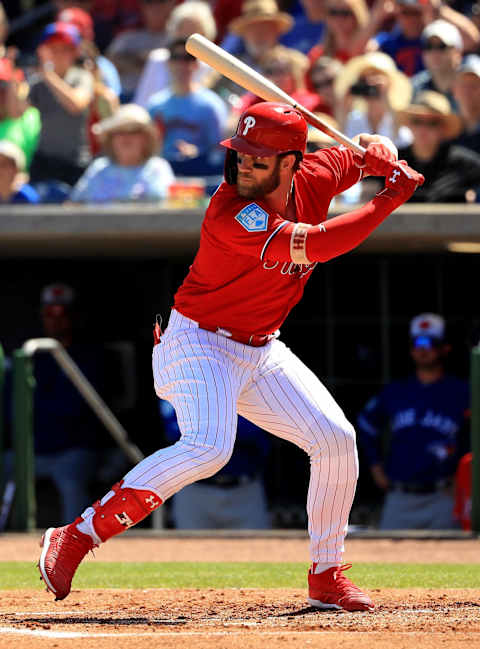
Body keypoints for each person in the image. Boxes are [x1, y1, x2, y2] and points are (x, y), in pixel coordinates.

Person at [37, 100, 424, 611]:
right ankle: (78, 536)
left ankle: (327, 572)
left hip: (260, 347)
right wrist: (388, 199)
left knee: (335, 439)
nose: (244, 165)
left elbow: (363, 156)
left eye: (258, 158)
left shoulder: (317, 171)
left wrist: (379, 153)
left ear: (291, 161)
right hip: (197, 343)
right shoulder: (231, 211)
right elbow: (319, 245)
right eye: (241, 155)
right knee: (210, 445)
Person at [357, 313, 470, 530]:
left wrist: (466, 477)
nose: (423, 349)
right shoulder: (397, 390)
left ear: (445, 348)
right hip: (400, 496)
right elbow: (365, 424)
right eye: (417, 343)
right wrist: (375, 466)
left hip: (444, 496)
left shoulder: (462, 391)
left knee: (449, 560)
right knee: (386, 561)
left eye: (430, 343)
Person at [159, 400, 271, 529]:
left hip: (245, 491)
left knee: (255, 547)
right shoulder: (181, 382)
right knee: (190, 548)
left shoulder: (247, 381)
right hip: (194, 491)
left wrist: (206, 425)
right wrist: (229, 423)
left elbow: (255, 431)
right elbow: (174, 431)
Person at [147, 37, 228, 177]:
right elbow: (148, 148)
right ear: (168, 63)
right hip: (164, 172)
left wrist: (197, 152)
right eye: (176, 58)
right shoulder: (156, 104)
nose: (182, 64)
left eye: (188, 58)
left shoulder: (210, 105)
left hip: (200, 171)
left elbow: (219, 151)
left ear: (196, 64)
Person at [28, 22, 94, 187]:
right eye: (53, 49)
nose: (58, 54)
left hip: (76, 162)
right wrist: (11, 82)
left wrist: (48, 76)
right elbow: (16, 112)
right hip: (44, 162)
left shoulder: (82, 77)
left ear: (75, 52)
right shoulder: (38, 82)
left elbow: (76, 105)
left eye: (65, 49)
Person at [70, 103, 174, 203]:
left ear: (146, 138)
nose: (126, 137)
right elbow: (74, 205)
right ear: (111, 138)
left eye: (133, 131)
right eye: (119, 132)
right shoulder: (99, 168)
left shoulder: (158, 168)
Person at [397, 91, 480, 202]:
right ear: (409, 125)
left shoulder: (466, 164)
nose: (423, 129)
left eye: (432, 123)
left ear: (443, 129)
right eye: (417, 121)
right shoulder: (395, 162)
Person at [134, 1, 217, 109]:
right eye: (183, 29)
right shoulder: (158, 59)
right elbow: (142, 104)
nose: (187, 38)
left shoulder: (212, 68)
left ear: (206, 35)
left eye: (194, 32)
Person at [374, 0, 479, 77]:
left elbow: (472, 40)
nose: (411, 19)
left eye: (416, 13)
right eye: (405, 12)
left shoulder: (436, 39)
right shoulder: (386, 41)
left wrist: (437, 8)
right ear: (397, 13)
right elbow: (358, 53)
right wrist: (377, 15)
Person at [105, 0, 177, 102]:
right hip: (124, 96)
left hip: (161, 99)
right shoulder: (127, 38)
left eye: (160, 2)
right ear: (142, 7)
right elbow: (109, 64)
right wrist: (144, 60)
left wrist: (134, 60)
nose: (155, 8)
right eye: (149, 3)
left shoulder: (176, 39)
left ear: (171, 6)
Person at [411, 20, 463, 109]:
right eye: (429, 46)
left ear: (458, 53)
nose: (434, 53)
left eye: (441, 46)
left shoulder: (471, 88)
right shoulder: (414, 87)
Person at [452, 55, 480, 153]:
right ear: (454, 89)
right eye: (463, 85)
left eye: (474, 85)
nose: (468, 91)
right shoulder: (446, 131)